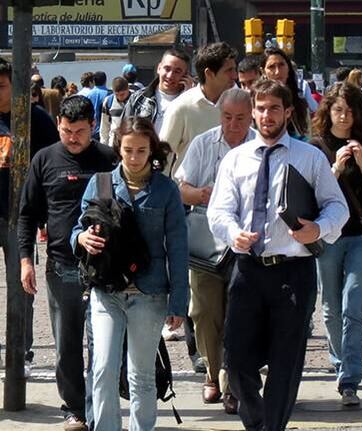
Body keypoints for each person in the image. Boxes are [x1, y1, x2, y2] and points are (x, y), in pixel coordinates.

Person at [207, 79, 348, 431]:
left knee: (286, 363)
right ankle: (258, 423)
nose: (265, 115)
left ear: (287, 112)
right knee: (236, 360)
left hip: (293, 270)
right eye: (260, 108)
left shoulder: (310, 156)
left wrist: (318, 228)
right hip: (248, 267)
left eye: (273, 108)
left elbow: (337, 207)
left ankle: (272, 428)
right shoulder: (236, 159)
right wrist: (232, 233)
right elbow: (218, 211)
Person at [71, 117, 187, 431]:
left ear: (152, 151)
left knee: (141, 375)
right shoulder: (102, 182)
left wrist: (179, 303)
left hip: (149, 294)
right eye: (127, 150)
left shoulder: (166, 190)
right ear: (118, 149)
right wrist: (81, 239)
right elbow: (77, 229)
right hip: (106, 290)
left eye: (141, 150)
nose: (134, 157)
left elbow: (177, 247)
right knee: (103, 368)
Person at [18, 95, 117, 431]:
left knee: (103, 345)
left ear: (92, 127)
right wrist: (26, 260)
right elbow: (27, 214)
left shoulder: (108, 159)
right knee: (67, 345)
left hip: (105, 269)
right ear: (58, 125)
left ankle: (99, 408)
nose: (72, 138)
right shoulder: (44, 159)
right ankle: (74, 409)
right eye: (66, 131)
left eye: (79, 131)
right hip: (62, 267)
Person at [174, 87, 257, 414]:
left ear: (250, 117)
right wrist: (202, 194)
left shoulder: (259, 145)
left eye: (240, 118)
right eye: (227, 117)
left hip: (248, 245)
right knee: (206, 312)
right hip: (207, 244)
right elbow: (180, 187)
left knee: (240, 314)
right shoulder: (203, 143)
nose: (233, 125)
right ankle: (212, 372)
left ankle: (233, 383)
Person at [310, 82, 362, 406]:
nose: (344, 117)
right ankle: (339, 361)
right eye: (338, 110)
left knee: (352, 305)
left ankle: (350, 377)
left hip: (360, 234)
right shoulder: (316, 146)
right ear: (327, 111)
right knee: (330, 307)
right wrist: (337, 168)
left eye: (350, 111)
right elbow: (313, 193)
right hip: (328, 236)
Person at [0, 58, 58, 377]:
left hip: (21, 216)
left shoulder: (36, 119)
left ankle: (21, 349)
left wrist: (47, 214)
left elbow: (53, 165)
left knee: (22, 286)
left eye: (1, 86)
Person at [161, 42, 237, 176]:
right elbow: (163, 156)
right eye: (228, 71)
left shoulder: (239, 105)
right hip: (187, 193)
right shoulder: (181, 107)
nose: (234, 76)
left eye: (234, 70)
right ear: (209, 74)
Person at [122, 48, 193, 134]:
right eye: (167, 69)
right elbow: (123, 133)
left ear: (186, 76)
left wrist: (188, 97)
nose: (170, 76)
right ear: (159, 68)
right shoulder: (138, 99)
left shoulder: (193, 102)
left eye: (177, 72)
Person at [260, 48, 311, 138]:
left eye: (281, 65)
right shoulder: (257, 102)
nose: (277, 71)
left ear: (288, 68)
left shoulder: (300, 103)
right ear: (263, 72)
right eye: (271, 67)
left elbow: (308, 136)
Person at [99, 76, 131, 147]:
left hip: (131, 142)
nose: (120, 97)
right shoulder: (108, 101)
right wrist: (103, 145)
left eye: (122, 94)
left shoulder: (135, 100)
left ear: (128, 89)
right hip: (113, 143)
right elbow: (104, 126)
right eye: (117, 95)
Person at [87, 71, 109, 138]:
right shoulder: (109, 94)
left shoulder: (88, 95)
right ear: (105, 81)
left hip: (92, 130)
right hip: (106, 130)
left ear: (94, 81)